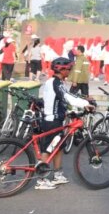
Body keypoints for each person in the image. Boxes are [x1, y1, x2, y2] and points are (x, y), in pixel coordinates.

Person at [35, 57, 94, 190]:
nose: (70, 71)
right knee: (48, 149)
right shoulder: (56, 82)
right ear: (61, 69)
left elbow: (59, 100)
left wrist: (70, 111)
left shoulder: (55, 82)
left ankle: (57, 174)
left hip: (56, 119)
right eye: (69, 69)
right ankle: (41, 180)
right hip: (52, 121)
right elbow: (66, 97)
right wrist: (85, 104)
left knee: (59, 147)